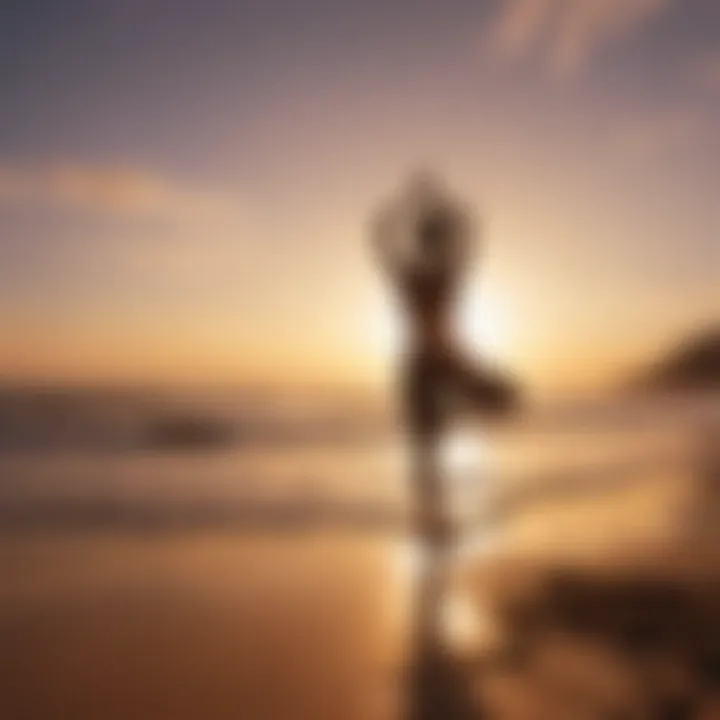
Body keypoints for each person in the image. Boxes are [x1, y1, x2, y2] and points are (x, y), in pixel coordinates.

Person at [373, 174, 516, 542]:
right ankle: (434, 521)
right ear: (433, 243)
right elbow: (466, 236)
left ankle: (437, 518)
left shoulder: (429, 274)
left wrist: (410, 205)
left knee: (428, 447)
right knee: (427, 447)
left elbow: (382, 239)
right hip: (437, 365)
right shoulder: (434, 274)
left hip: (436, 364)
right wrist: (427, 205)